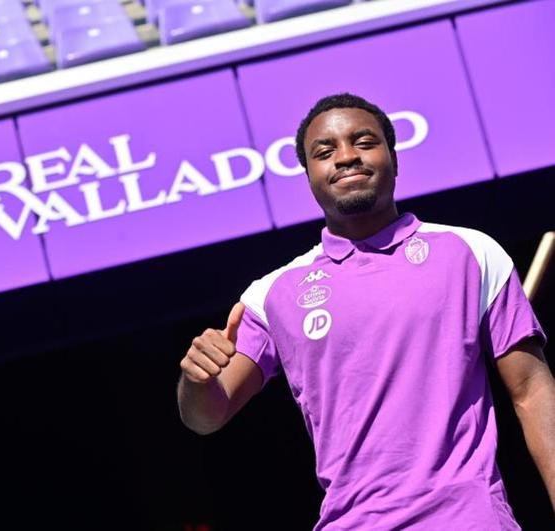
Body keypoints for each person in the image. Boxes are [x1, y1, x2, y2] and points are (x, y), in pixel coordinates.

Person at [176, 93, 555, 529]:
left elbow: (532, 392)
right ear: (308, 175)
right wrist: (195, 380)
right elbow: (205, 418)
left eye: (363, 141)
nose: (346, 157)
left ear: (393, 157)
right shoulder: (271, 294)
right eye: (325, 151)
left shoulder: (471, 252)